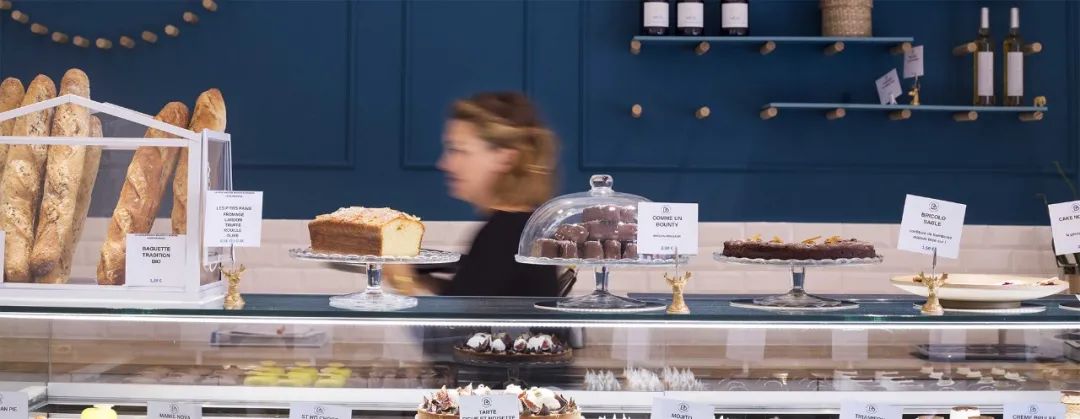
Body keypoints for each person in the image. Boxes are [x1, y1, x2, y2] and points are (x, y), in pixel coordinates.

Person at [390, 92, 562, 297]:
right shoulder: (519, 227)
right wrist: (421, 281)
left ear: (505, 158)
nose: (445, 164)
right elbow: (473, 297)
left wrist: (402, 280)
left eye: (459, 150)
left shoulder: (503, 234)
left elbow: (457, 317)